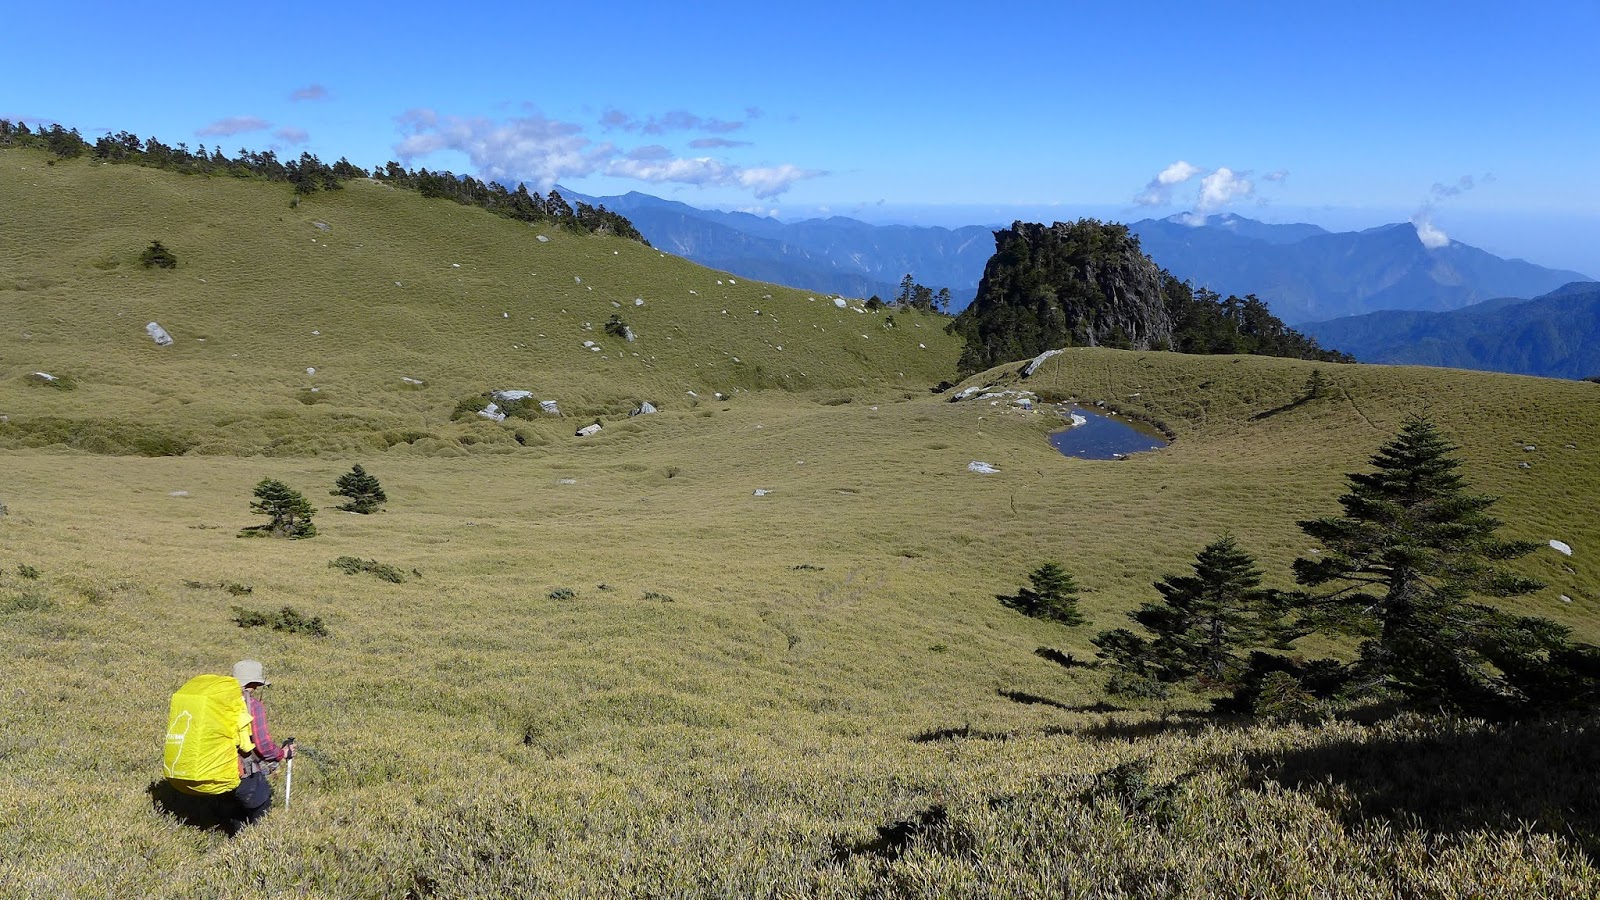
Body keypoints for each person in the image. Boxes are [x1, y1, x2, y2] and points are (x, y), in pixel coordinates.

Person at [229, 658, 292, 833]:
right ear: (252, 683)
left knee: (233, 810)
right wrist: (282, 753)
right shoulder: (251, 706)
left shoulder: (218, 702)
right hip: (238, 773)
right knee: (260, 802)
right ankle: (254, 841)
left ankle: (233, 837)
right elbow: (263, 746)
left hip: (213, 769)